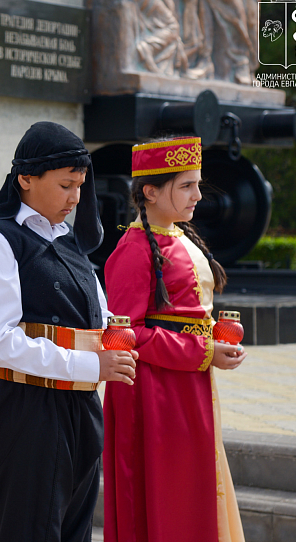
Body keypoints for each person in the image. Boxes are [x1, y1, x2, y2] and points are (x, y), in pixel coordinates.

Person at [0, 122, 139, 542]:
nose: (75, 197)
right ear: (25, 179)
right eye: (64, 185)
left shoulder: (70, 242)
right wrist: (91, 364)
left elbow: (101, 316)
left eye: (79, 185)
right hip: (26, 413)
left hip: (80, 409)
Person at [103, 136, 247, 542]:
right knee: (169, 495)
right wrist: (204, 351)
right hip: (154, 393)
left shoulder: (179, 238)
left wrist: (214, 341)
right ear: (150, 191)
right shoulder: (133, 250)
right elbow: (126, 333)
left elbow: (186, 316)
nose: (198, 195)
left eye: (197, 184)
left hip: (186, 382)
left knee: (193, 485)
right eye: (186, 186)